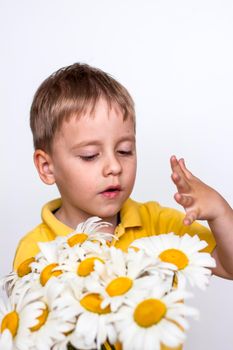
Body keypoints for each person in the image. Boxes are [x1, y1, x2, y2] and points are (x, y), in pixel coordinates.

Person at [13, 63, 233, 350]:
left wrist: (220, 213)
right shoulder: (36, 253)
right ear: (47, 167)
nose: (114, 166)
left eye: (124, 150)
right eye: (90, 155)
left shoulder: (158, 225)